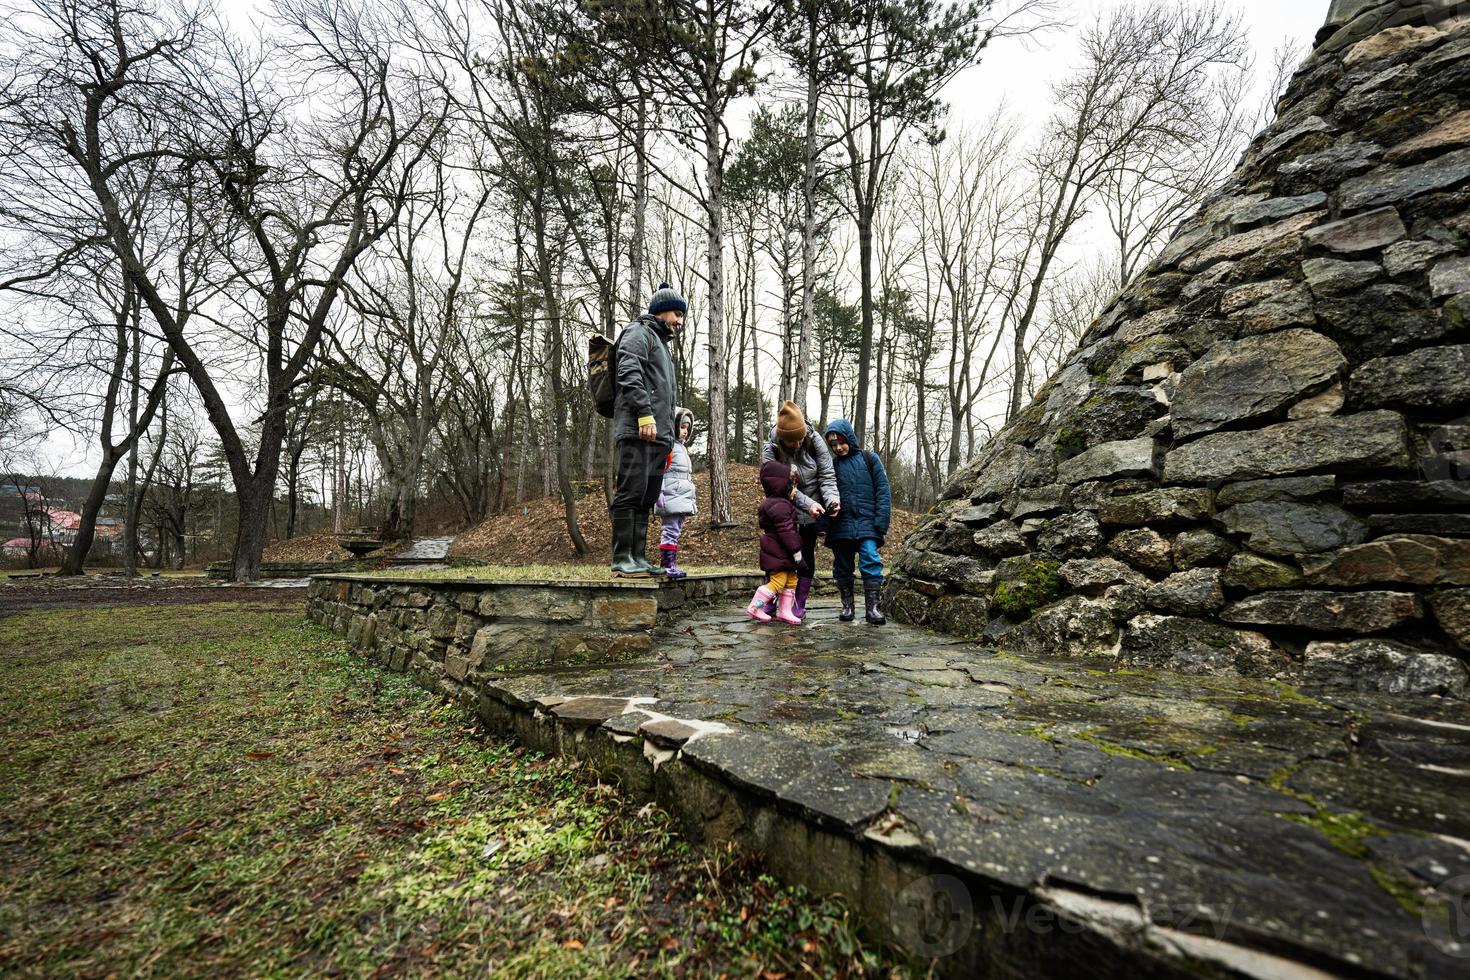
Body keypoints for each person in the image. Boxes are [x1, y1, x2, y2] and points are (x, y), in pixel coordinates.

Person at [610, 282, 684, 577]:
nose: (679, 321)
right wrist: (644, 415)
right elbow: (628, 373)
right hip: (637, 430)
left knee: (647, 496)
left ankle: (637, 558)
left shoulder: (661, 345)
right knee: (630, 492)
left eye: (682, 316)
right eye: (676, 314)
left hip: (659, 437)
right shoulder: (638, 333)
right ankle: (621, 558)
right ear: (659, 311)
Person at [760, 401, 838, 621]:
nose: (796, 444)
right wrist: (807, 503)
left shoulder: (815, 442)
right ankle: (772, 599)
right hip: (781, 506)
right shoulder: (771, 449)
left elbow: (827, 475)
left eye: (799, 439)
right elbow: (777, 486)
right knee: (777, 555)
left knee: (805, 556)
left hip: (811, 508)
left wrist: (832, 500)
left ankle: (798, 601)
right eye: (790, 440)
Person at [823, 419, 891, 625]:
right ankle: (847, 606)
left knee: (870, 560)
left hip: (867, 523)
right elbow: (824, 493)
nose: (838, 448)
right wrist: (824, 522)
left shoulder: (870, 459)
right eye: (833, 445)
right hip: (840, 526)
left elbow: (883, 491)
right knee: (842, 566)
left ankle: (873, 608)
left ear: (850, 439)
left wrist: (881, 521)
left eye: (841, 443)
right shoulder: (831, 467)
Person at [746, 460, 804, 625]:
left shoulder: (779, 503)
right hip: (779, 551)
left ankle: (785, 611)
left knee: (791, 580)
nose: (796, 491)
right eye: (793, 487)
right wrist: (796, 550)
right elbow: (786, 531)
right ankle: (755, 606)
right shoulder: (779, 505)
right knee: (778, 582)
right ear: (783, 487)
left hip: (783, 552)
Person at [655, 407, 697, 580]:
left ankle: (670, 563)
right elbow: (658, 470)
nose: (685, 431)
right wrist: (658, 493)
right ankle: (666, 565)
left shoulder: (681, 448)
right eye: (682, 427)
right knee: (670, 530)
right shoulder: (668, 446)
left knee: (675, 529)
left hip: (681, 495)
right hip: (671, 495)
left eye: (687, 428)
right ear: (672, 426)